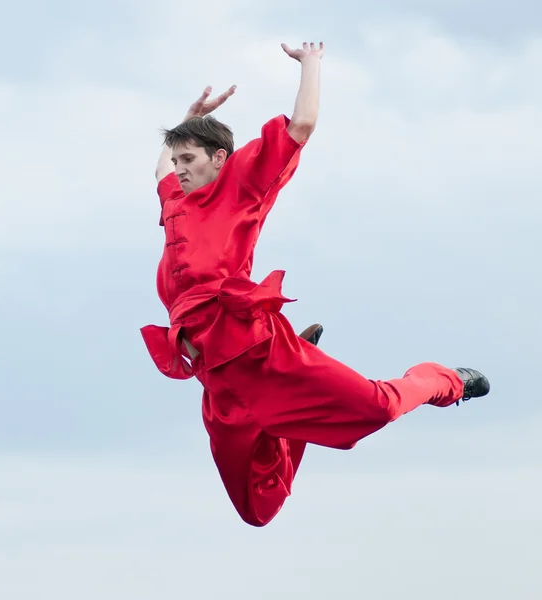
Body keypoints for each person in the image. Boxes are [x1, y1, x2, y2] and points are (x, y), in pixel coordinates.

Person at [141, 41, 490, 527]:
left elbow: (300, 126)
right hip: (220, 382)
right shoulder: (174, 204)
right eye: (175, 161)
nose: (177, 169)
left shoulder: (240, 188)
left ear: (220, 159)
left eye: (188, 158)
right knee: (256, 510)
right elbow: (159, 168)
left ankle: (445, 380)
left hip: (257, 352)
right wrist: (186, 120)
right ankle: (290, 416)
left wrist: (310, 64)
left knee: (375, 411)